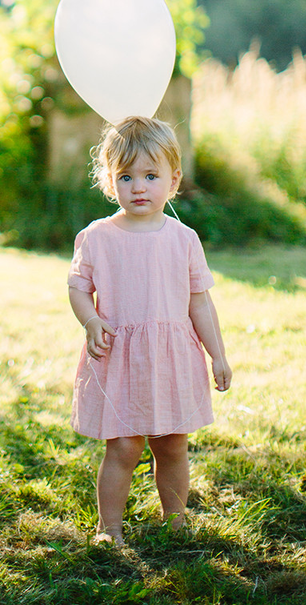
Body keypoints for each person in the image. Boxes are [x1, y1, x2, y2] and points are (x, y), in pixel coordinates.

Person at [68, 115, 232, 546]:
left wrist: (218, 355)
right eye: (126, 176)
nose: (138, 186)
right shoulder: (97, 237)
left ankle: (176, 520)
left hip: (171, 358)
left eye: (151, 175)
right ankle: (110, 527)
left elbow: (200, 301)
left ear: (173, 180)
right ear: (109, 181)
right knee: (123, 447)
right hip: (121, 355)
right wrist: (91, 320)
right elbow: (78, 288)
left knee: (173, 444)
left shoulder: (184, 239)